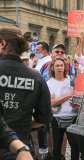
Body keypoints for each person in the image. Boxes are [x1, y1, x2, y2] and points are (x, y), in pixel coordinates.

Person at [0, 26, 52, 160]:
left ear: (3, 44)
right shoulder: (36, 77)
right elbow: (45, 117)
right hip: (21, 149)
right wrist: (25, 126)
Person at [47, 57, 79, 160]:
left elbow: (77, 97)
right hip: (56, 117)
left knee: (75, 146)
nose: (59, 68)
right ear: (52, 68)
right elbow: (51, 103)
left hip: (73, 116)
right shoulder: (49, 83)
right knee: (56, 146)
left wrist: (74, 101)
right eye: (57, 65)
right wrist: (67, 96)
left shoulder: (71, 80)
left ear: (65, 67)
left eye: (61, 65)